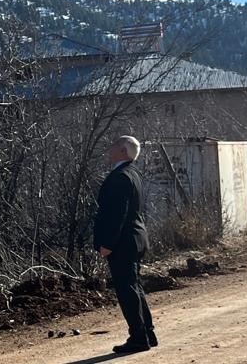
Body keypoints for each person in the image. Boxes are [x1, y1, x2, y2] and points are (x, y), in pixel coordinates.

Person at [93, 135, 157, 355]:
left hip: (123, 242)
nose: (109, 150)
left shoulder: (120, 177)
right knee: (134, 287)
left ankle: (139, 338)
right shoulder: (133, 174)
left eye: (113, 147)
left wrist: (107, 243)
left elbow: (116, 214)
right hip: (136, 239)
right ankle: (147, 333)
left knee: (127, 289)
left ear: (122, 151)